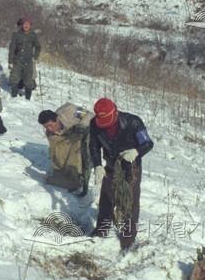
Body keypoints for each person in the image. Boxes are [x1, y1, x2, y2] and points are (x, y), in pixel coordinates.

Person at [88, 98, 154, 250]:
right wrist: (98, 165)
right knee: (106, 199)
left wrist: (136, 151)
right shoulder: (94, 124)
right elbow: (94, 145)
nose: (105, 126)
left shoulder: (133, 122)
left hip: (131, 167)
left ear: (115, 112)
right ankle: (101, 230)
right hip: (111, 165)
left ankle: (128, 238)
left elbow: (148, 143)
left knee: (130, 202)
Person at [38, 103, 94, 195]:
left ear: (56, 119)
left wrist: (82, 125)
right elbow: (56, 154)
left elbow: (89, 115)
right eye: (45, 127)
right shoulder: (50, 133)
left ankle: (85, 166)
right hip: (68, 137)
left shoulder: (69, 110)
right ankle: (71, 175)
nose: (49, 129)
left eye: (50, 125)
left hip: (84, 132)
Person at [8, 17, 41, 99]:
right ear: (22, 25)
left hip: (28, 61)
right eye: (24, 24)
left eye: (28, 24)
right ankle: (14, 96)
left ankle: (28, 98)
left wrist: (35, 57)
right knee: (14, 78)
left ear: (30, 25)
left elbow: (38, 47)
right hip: (17, 60)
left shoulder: (33, 35)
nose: (26, 26)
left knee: (28, 80)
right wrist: (10, 61)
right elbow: (12, 48)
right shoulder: (16, 35)